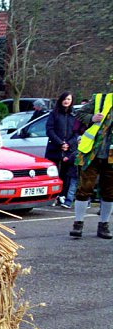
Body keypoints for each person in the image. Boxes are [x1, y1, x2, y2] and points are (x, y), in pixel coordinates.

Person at [70, 90, 112, 239]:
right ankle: (78, 224)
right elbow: (79, 113)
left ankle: (104, 225)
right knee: (85, 188)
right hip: (91, 153)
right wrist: (92, 118)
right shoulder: (101, 99)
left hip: (111, 157)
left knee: (110, 191)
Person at [45, 92, 79, 209]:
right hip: (55, 147)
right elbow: (49, 130)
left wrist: (68, 144)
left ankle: (63, 195)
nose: (66, 101)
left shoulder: (74, 115)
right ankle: (53, 196)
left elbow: (76, 133)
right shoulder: (54, 114)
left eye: (69, 99)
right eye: (64, 99)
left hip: (69, 150)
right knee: (54, 173)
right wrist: (60, 143)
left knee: (66, 174)